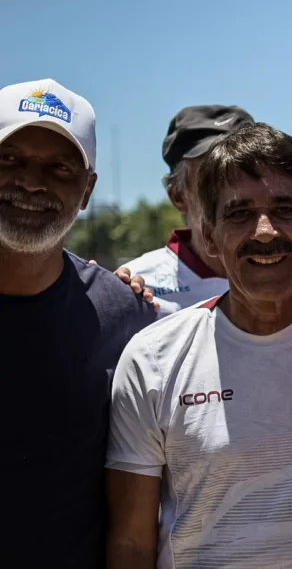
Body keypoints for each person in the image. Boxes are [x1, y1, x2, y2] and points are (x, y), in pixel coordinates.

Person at [105, 123, 292, 568]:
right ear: (209, 235)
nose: (264, 231)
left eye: (284, 209)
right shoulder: (153, 359)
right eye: (239, 213)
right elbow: (130, 543)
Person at [1, 78, 157, 568]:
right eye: (10, 160)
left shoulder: (125, 317)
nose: (30, 182)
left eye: (59, 168)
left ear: (87, 190)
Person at [117, 105, 292, 328]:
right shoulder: (141, 286)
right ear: (178, 197)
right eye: (210, 180)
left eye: (246, 174)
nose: (265, 231)